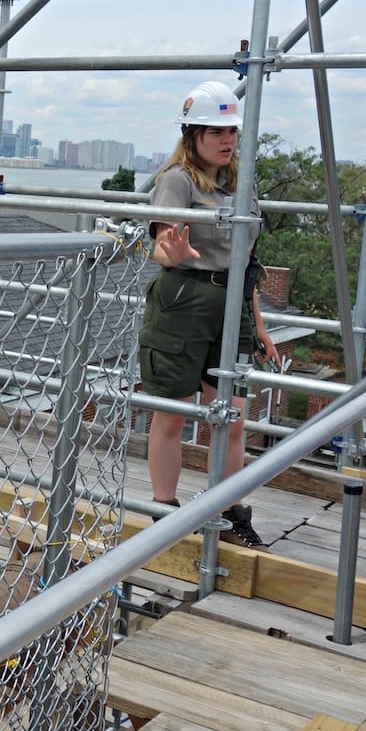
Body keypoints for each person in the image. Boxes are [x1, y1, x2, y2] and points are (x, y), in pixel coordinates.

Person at [140, 80, 278, 549]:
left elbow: (247, 261)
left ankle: (227, 511)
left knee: (234, 418)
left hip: (233, 302)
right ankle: (166, 511)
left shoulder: (241, 181)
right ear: (192, 134)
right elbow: (161, 243)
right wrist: (171, 253)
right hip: (184, 301)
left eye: (231, 132)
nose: (226, 140)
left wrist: (258, 324)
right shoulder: (176, 179)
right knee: (173, 415)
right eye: (215, 131)